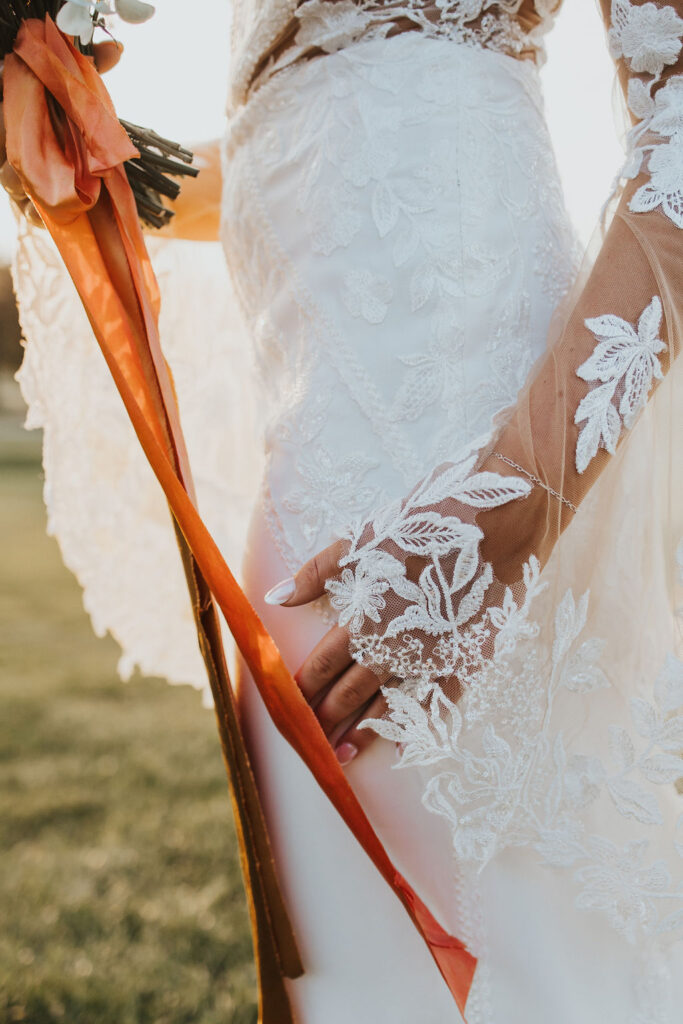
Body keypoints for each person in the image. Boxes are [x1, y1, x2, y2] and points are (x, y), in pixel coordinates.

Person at [3, 1, 682, 1021]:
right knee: (355, 973)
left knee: (535, 953)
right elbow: (307, 128)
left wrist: (513, 495)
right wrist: (108, 155)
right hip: (303, 498)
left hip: (484, 460)